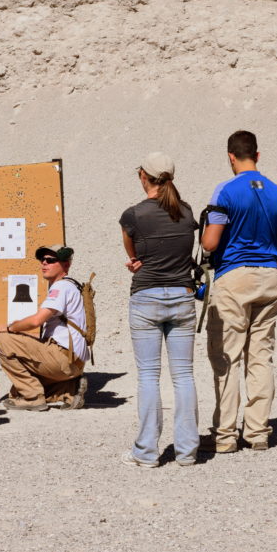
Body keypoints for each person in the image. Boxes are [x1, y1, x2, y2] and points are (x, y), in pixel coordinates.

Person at [201, 130, 277, 453]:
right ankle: (258, 432)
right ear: (257, 153)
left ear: (230, 156)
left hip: (234, 276)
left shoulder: (224, 191)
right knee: (261, 356)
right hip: (269, 274)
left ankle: (225, 436)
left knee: (228, 356)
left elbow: (210, 243)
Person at [119, 152, 199, 468]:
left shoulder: (133, 214)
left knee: (149, 376)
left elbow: (133, 252)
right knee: (184, 375)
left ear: (144, 176)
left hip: (146, 296)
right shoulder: (187, 211)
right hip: (182, 296)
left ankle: (147, 452)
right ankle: (187, 450)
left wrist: (138, 261)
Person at [0, 244, 90, 412]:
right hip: (73, 361)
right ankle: (70, 389)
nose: (44, 263)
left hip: (62, 356)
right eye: (42, 259)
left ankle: (32, 398)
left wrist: (9, 328)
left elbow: (36, 321)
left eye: (51, 260)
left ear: (66, 265)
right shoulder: (71, 285)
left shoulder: (61, 287)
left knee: (2, 340)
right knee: (15, 393)